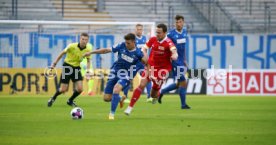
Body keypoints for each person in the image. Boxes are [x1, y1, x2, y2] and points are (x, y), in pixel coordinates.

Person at [83, 33, 148, 120]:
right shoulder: (121, 45)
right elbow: (106, 50)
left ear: (133, 42)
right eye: (126, 42)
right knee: (106, 98)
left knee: (116, 89)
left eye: (128, 43)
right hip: (115, 71)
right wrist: (91, 52)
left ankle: (111, 114)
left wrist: (145, 56)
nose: (126, 44)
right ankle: (120, 98)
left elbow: (146, 62)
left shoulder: (138, 53)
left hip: (126, 74)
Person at [124, 23, 178, 115]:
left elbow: (174, 51)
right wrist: (146, 58)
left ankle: (157, 94)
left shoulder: (169, 42)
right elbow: (144, 49)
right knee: (142, 84)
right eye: (156, 32)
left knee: (154, 93)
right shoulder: (153, 39)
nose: (157, 34)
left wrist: (174, 55)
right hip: (150, 67)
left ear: (165, 33)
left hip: (162, 71)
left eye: (159, 33)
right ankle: (130, 107)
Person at [47, 33, 92, 107]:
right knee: (63, 89)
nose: (84, 41)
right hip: (67, 67)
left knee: (80, 89)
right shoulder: (71, 46)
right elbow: (62, 53)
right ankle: (53, 98)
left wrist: (87, 72)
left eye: (86, 40)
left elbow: (88, 60)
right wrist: (54, 63)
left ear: (88, 41)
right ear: (80, 39)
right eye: (82, 39)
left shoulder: (88, 49)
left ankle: (70, 100)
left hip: (76, 68)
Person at [158, 15, 191, 109]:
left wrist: (184, 59)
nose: (178, 24)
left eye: (180, 22)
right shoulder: (171, 34)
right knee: (184, 82)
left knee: (178, 84)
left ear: (183, 22)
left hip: (181, 61)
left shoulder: (184, 32)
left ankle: (162, 92)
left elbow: (183, 48)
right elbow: (164, 46)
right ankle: (183, 105)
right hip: (175, 61)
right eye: (176, 22)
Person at [123, 24, 152, 103]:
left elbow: (145, 51)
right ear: (135, 30)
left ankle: (149, 96)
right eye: (138, 29)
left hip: (142, 63)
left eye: (140, 29)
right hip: (133, 63)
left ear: (142, 30)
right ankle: (125, 97)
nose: (139, 31)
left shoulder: (145, 38)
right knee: (128, 79)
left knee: (147, 78)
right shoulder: (132, 39)